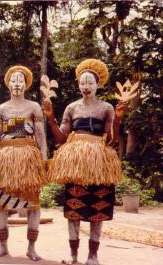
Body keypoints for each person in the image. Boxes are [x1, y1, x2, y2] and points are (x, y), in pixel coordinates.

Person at [42, 59, 127, 265]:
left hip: (99, 163)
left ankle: (93, 255)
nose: (85, 86)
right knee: (74, 210)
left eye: (89, 82)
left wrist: (117, 119)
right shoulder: (72, 108)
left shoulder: (106, 108)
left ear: (98, 84)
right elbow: (62, 138)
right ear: (78, 84)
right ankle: (73, 255)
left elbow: (111, 140)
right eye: (82, 83)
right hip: (76, 164)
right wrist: (51, 118)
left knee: (98, 209)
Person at [0, 65, 48, 261]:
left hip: (28, 158)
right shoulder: (1, 109)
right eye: (14, 80)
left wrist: (44, 158)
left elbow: (40, 135)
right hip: (5, 159)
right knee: (2, 204)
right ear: (9, 84)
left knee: (33, 205)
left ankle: (31, 248)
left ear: (26, 84)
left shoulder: (34, 107)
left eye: (21, 80)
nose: (17, 83)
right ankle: (3, 246)